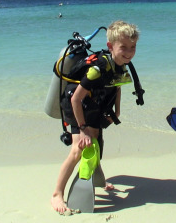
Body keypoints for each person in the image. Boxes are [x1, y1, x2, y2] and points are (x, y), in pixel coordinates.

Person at [50, 20, 140, 214]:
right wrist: (82, 129)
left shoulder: (121, 64)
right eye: (123, 47)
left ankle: (98, 179)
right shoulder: (98, 68)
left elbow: (117, 87)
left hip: (95, 106)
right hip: (77, 108)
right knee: (77, 150)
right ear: (110, 46)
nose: (129, 52)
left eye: (132, 47)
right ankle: (57, 193)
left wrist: (117, 111)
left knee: (97, 143)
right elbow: (75, 99)